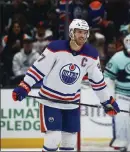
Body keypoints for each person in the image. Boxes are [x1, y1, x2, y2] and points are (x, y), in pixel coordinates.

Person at [12, 19, 120, 151]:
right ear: (71, 33)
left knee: (69, 143)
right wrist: (25, 86)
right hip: (50, 101)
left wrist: (107, 101)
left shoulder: (92, 54)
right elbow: (38, 69)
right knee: (53, 139)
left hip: (72, 103)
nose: (82, 35)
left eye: (85, 32)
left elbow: (98, 82)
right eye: (79, 32)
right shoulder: (55, 48)